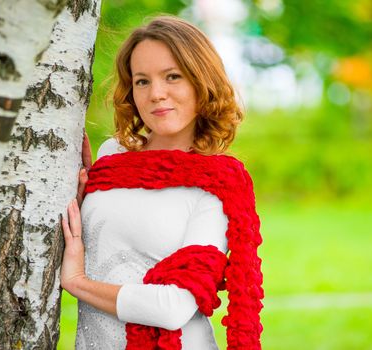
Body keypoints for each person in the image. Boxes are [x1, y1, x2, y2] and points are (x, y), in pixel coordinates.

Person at [60, 15, 263, 349]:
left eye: (172, 77)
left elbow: (173, 307)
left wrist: (77, 282)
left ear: (201, 82)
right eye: (142, 81)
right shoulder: (111, 158)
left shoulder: (214, 187)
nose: (156, 93)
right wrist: (77, 197)